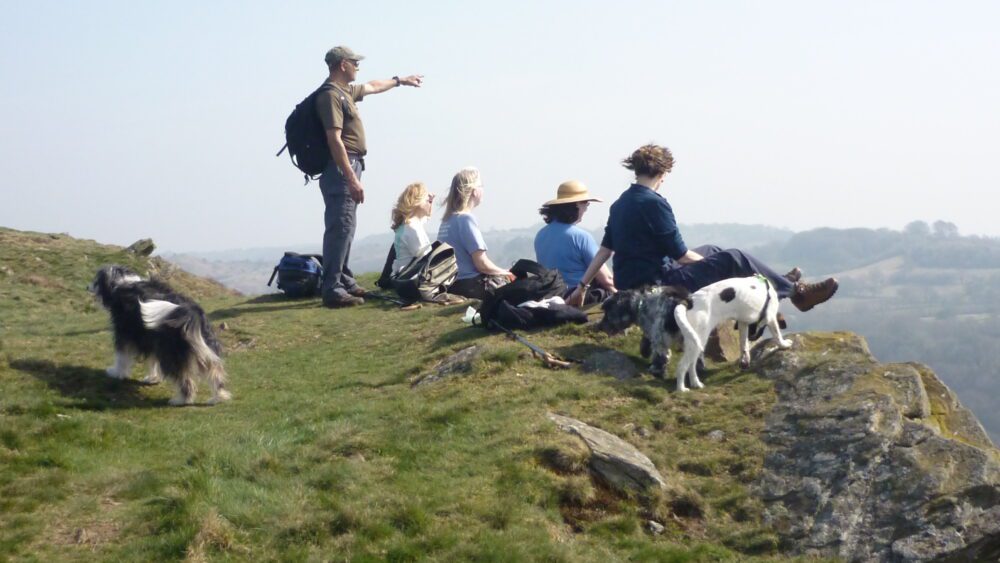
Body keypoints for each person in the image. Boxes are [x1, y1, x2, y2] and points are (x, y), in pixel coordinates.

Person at [568, 144, 838, 312]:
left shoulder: (620, 204)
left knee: (714, 250)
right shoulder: (654, 204)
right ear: (663, 174)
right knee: (734, 258)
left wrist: (581, 286)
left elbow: (605, 250)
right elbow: (682, 257)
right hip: (656, 283)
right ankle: (795, 293)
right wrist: (718, 265)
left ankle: (777, 282)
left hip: (633, 280)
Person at [317, 45, 424, 308]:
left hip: (351, 164)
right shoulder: (331, 95)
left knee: (347, 224)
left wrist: (400, 81)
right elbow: (334, 139)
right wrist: (351, 178)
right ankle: (332, 289)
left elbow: (373, 86)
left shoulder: (345, 92)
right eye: (354, 62)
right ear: (343, 64)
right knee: (340, 226)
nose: (358, 66)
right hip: (342, 166)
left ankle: (344, 279)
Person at [437, 167, 513, 300]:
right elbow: (481, 264)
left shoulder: (447, 221)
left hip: (451, 285)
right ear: (474, 191)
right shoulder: (466, 219)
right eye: (481, 185)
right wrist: (505, 273)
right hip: (471, 285)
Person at [534, 180, 615, 303]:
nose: (586, 209)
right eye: (586, 204)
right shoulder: (581, 237)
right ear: (577, 205)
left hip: (552, 296)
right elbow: (607, 279)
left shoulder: (540, 235)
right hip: (577, 296)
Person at [390, 182, 434, 274]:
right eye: (427, 201)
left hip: (406, 276)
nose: (429, 203)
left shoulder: (408, 224)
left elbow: (427, 217)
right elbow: (425, 258)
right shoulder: (412, 229)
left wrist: (430, 201)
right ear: (417, 203)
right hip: (413, 278)